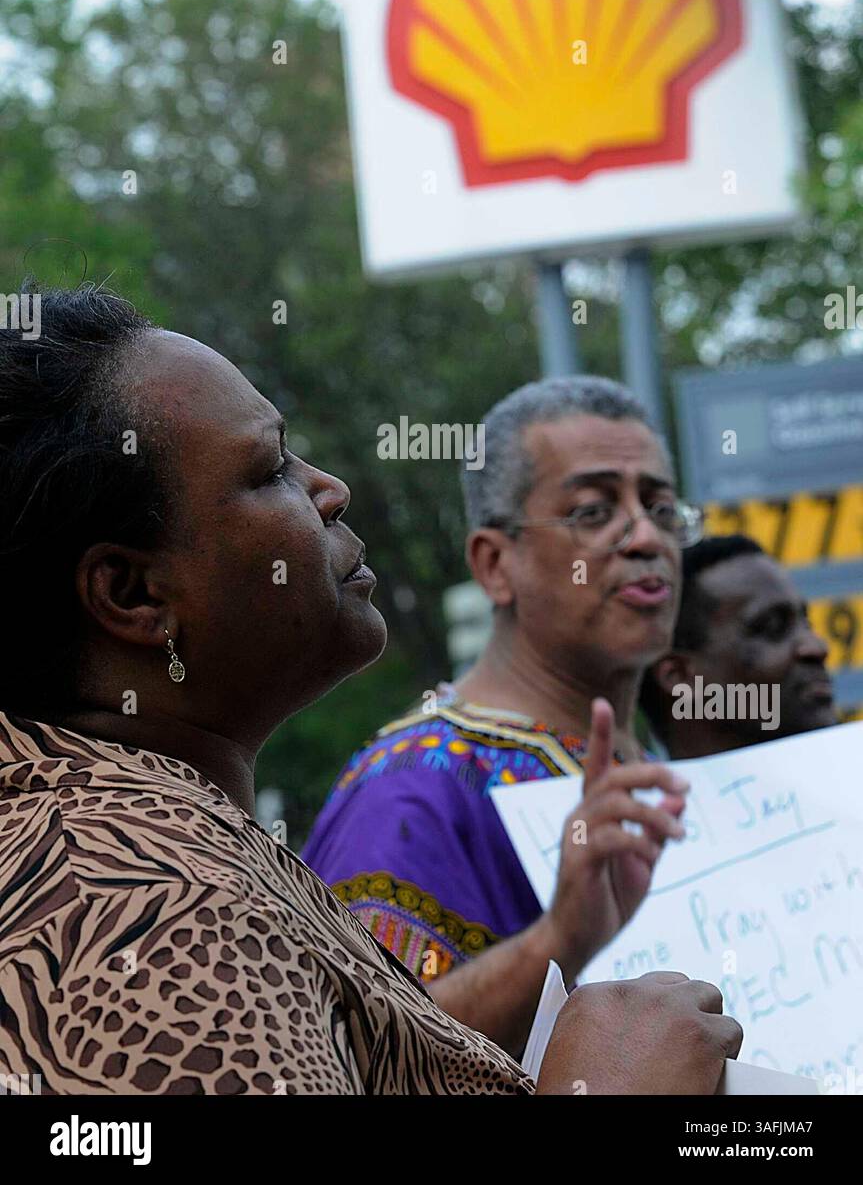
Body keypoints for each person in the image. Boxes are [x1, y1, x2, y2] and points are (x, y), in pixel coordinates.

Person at [0, 284, 742, 1096]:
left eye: (660, 506)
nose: (330, 490)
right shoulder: (153, 917)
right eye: (270, 468)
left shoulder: (142, 852)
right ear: (133, 594)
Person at [304, 376, 705, 1056]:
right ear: (494, 564)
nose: (645, 537)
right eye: (592, 510)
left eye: (662, 508)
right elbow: (360, 1055)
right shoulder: (412, 789)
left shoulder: (652, 763)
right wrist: (561, 939)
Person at [639, 534, 838, 760]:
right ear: (679, 675)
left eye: (807, 625)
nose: (817, 647)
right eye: (772, 627)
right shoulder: (619, 795)